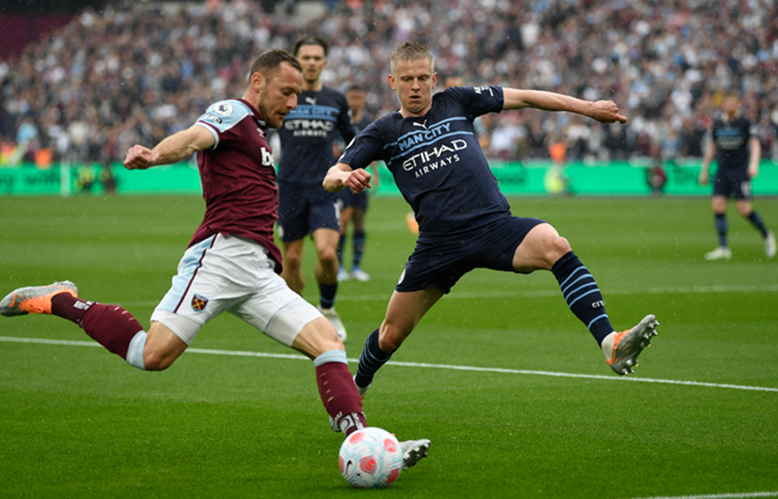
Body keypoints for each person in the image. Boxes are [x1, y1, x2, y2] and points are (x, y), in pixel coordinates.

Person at [0, 48, 430, 467]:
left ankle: (364, 440)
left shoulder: (257, 131)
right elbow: (192, 138)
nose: (294, 103)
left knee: (329, 344)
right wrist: (154, 155)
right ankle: (60, 299)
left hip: (259, 272)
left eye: (299, 94)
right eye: (286, 92)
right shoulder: (234, 113)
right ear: (257, 82)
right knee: (151, 355)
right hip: (220, 259)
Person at [322, 42, 659, 399]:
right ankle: (357, 386)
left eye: (423, 78)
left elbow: (527, 97)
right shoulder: (383, 131)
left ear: (434, 78)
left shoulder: (457, 101)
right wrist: (346, 178)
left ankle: (610, 341)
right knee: (390, 335)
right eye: (407, 79)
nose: (416, 86)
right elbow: (332, 174)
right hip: (438, 246)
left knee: (555, 245)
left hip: (494, 226)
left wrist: (588, 109)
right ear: (392, 81)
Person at [276, 37, 356, 340]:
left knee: (325, 252)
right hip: (290, 186)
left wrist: (350, 167)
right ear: (296, 62)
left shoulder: (336, 99)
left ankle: (328, 308)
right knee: (292, 259)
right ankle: (297, 315)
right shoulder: (283, 97)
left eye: (317, 57)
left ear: (324, 62)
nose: (311, 62)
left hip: (326, 186)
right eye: (305, 57)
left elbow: (352, 138)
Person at [699, 92, 775, 260]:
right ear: (724, 104)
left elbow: (754, 144)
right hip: (722, 170)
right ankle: (723, 247)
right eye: (728, 103)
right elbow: (712, 147)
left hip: (740, 170)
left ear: (738, 104)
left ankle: (766, 235)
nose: (731, 106)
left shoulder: (745, 123)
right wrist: (704, 170)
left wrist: (754, 164)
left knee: (744, 209)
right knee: (718, 206)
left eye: (734, 103)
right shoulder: (718, 124)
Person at [336, 85, 379, 282]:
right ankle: (339, 267)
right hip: (343, 179)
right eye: (352, 97)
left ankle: (356, 266)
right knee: (344, 220)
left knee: (359, 220)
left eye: (358, 98)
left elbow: (371, 150)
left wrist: (376, 173)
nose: (355, 102)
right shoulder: (339, 122)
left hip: (361, 177)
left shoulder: (368, 123)